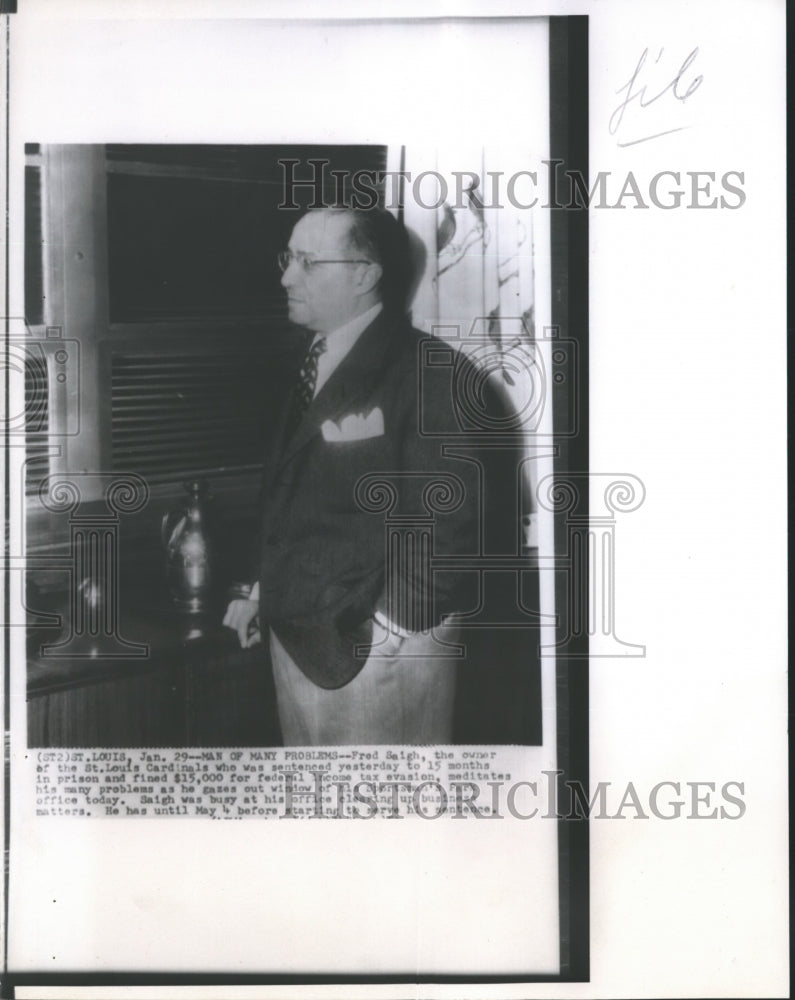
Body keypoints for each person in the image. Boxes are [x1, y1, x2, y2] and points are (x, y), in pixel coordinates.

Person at [224, 205, 509, 746]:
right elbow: (296, 495)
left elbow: (451, 521)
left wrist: (392, 629)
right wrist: (264, 589)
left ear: (364, 273)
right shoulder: (309, 359)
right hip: (298, 638)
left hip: (375, 653)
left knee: (385, 823)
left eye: (308, 262)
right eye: (289, 258)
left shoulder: (434, 374)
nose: (286, 276)